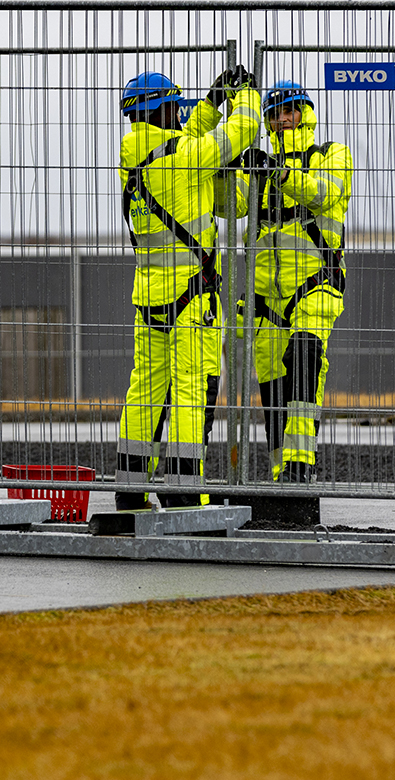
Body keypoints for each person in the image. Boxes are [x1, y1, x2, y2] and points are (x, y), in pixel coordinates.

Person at [115, 65, 259, 511]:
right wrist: (244, 96)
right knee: (191, 388)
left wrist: (211, 101)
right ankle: (182, 495)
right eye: (174, 109)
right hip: (191, 298)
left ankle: (129, 490)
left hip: (149, 297)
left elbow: (182, 140)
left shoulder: (134, 160)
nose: (180, 115)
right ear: (161, 111)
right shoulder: (185, 158)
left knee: (145, 391)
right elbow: (243, 130)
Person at [243, 80, 354, 483]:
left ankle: (299, 467)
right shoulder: (260, 167)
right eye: (275, 113)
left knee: (305, 359)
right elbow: (229, 203)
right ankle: (279, 474)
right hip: (266, 298)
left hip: (315, 282)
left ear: (305, 113)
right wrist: (228, 163)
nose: (283, 120)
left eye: (290, 110)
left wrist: (281, 173)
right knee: (272, 385)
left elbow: (325, 193)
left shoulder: (331, 154)